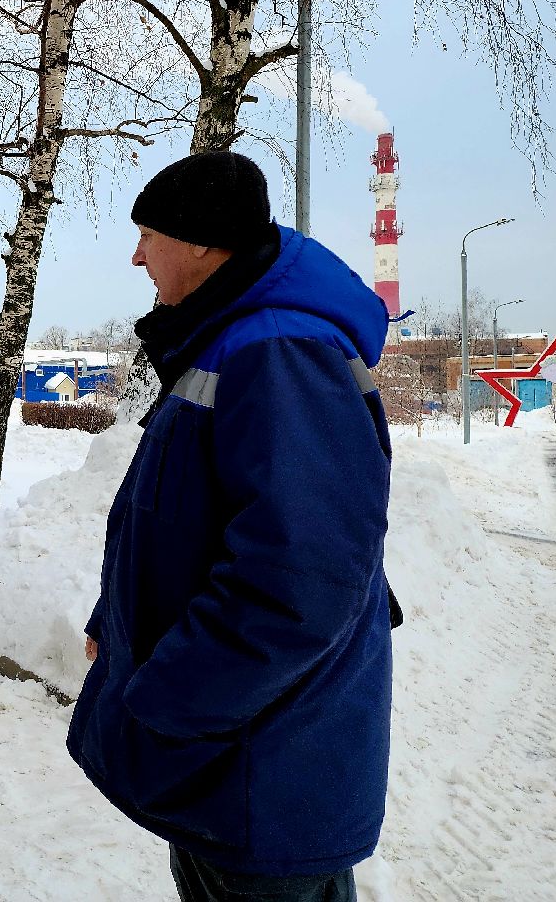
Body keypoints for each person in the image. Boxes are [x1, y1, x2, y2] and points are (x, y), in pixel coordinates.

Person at [67, 151, 396, 902]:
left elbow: (299, 580)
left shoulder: (279, 351)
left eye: (147, 236)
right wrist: (118, 621)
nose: (137, 257)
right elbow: (188, 518)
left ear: (201, 244)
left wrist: (167, 698)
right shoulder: (233, 341)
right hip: (235, 759)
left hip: (263, 768)